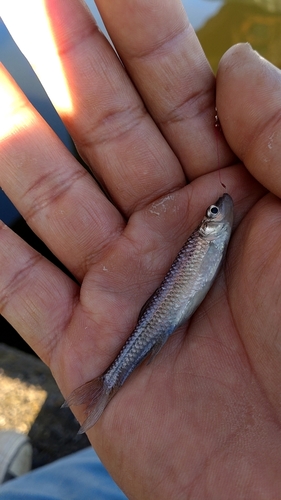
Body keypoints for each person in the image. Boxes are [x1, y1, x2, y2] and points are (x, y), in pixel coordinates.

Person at [0, 0, 281, 498]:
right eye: (214, 215)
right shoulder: (209, 239)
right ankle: (91, 404)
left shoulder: (214, 241)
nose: (217, 215)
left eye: (213, 215)